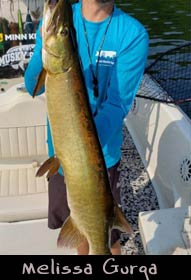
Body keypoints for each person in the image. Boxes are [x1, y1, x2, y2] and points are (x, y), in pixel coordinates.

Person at [24, 0, 149, 255]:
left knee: (107, 237)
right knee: (81, 231)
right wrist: (44, 42)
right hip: (59, 157)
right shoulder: (65, 22)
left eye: (62, 32)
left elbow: (117, 105)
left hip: (102, 160)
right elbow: (32, 86)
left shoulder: (132, 34)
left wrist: (80, 148)